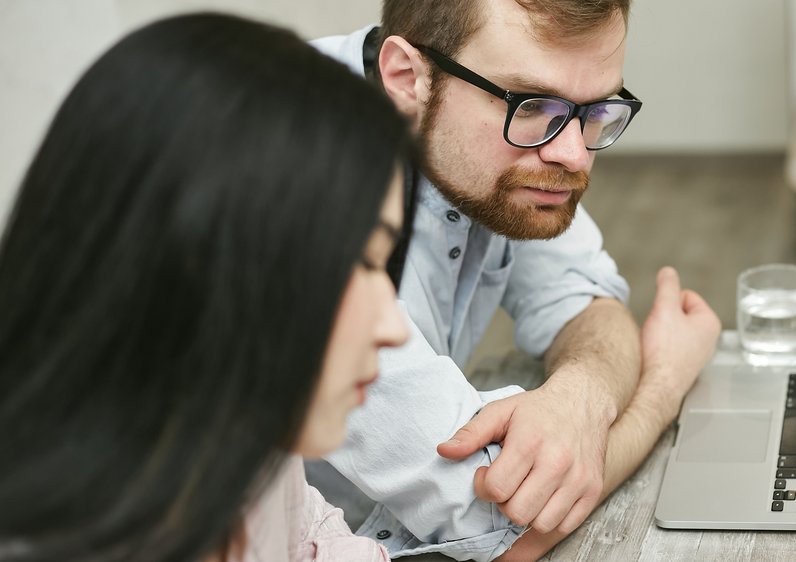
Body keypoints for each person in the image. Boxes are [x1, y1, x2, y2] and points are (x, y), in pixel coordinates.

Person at [307, 1, 723, 560]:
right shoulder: (297, 184)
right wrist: (663, 388)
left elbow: (585, 301)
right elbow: (503, 524)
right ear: (407, 76)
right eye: (532, 105)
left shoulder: (485, 146)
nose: (573, 154)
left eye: (596, 108)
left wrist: (582, 396)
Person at [0, 13, 415, 562]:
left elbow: (307, 527)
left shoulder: (242, 429)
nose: (393, 328)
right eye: (360, 261)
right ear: (198, 252)